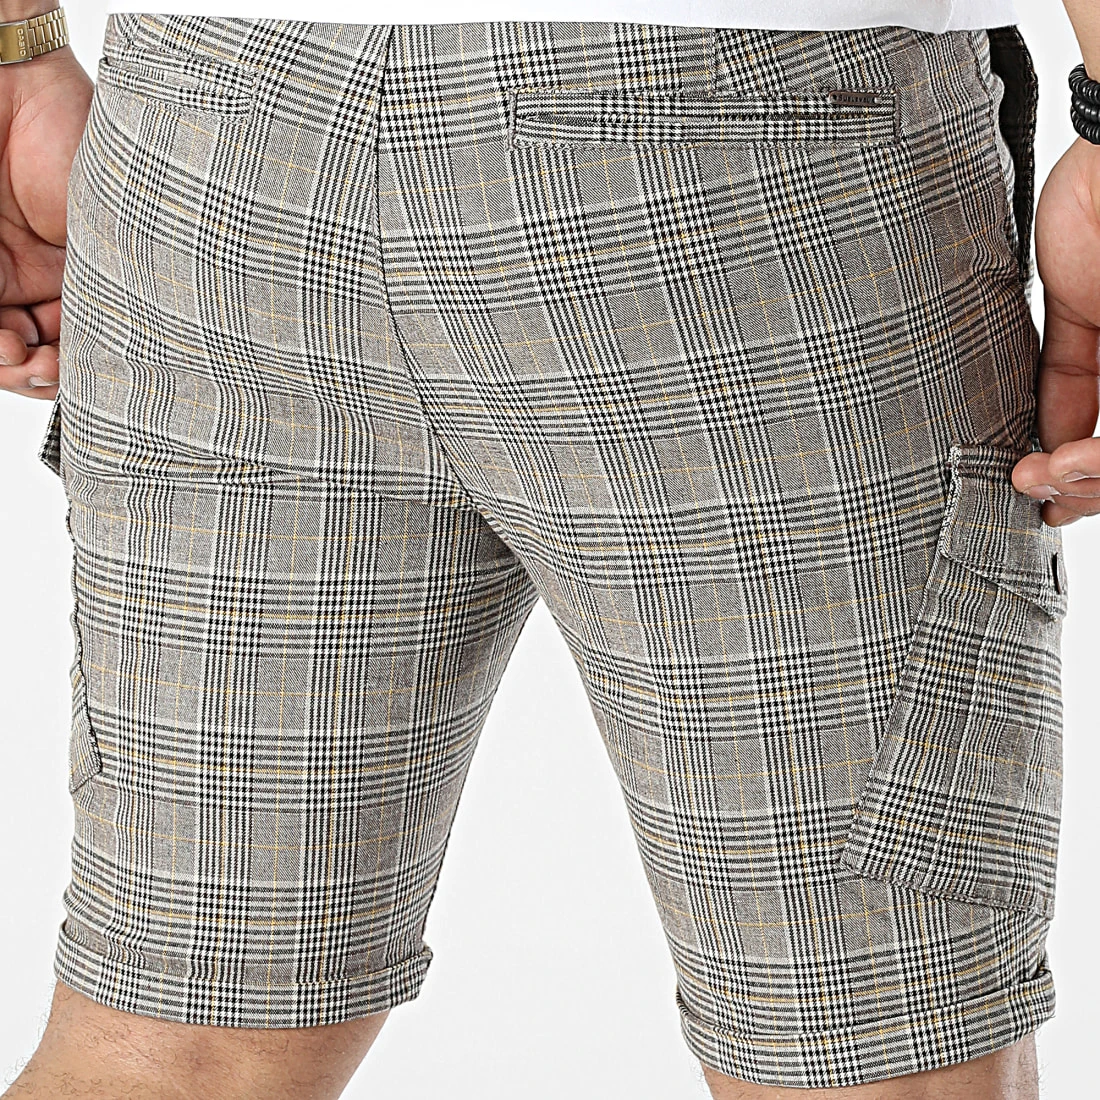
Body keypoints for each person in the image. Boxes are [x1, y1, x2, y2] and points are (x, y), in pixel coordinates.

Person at [0, 0, 1097, 1096]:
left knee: (172, 1048)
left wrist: (14, 49)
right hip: (736, 151)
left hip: (217, 131)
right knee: (865, 1045)